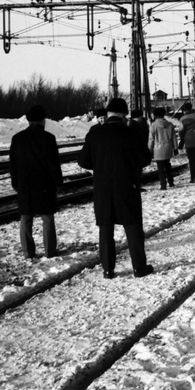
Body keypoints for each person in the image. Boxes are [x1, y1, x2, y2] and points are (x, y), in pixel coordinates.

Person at [79, 96, 153, 278]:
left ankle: (108, 269)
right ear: (124, 115)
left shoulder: (95, 133)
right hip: (127, 186)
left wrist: (100, 165)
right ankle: (139, 268)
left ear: (108, 113)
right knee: (133, 227)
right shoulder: (132, 133)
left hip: (102, 188)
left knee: (105, 228)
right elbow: (145, 159)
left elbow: (83, 161)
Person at [8, 105, 62, 258]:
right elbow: (53, 164)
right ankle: (50, 250)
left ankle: (28, 252)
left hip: (24, 184)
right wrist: (58, 183)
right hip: (45, 184)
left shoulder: (17, 139)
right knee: (47, 217)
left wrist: (15, 183)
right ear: (42, 120)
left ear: (29, 120)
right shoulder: (48, 138)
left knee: (25, 217)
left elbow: (13, 164)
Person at [177, 100, 195, 184]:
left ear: (184, 110)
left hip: (190, 141)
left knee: (192, 160)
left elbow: (181, 132)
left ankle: (193, 177)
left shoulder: (183, 118)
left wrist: (181, 141)